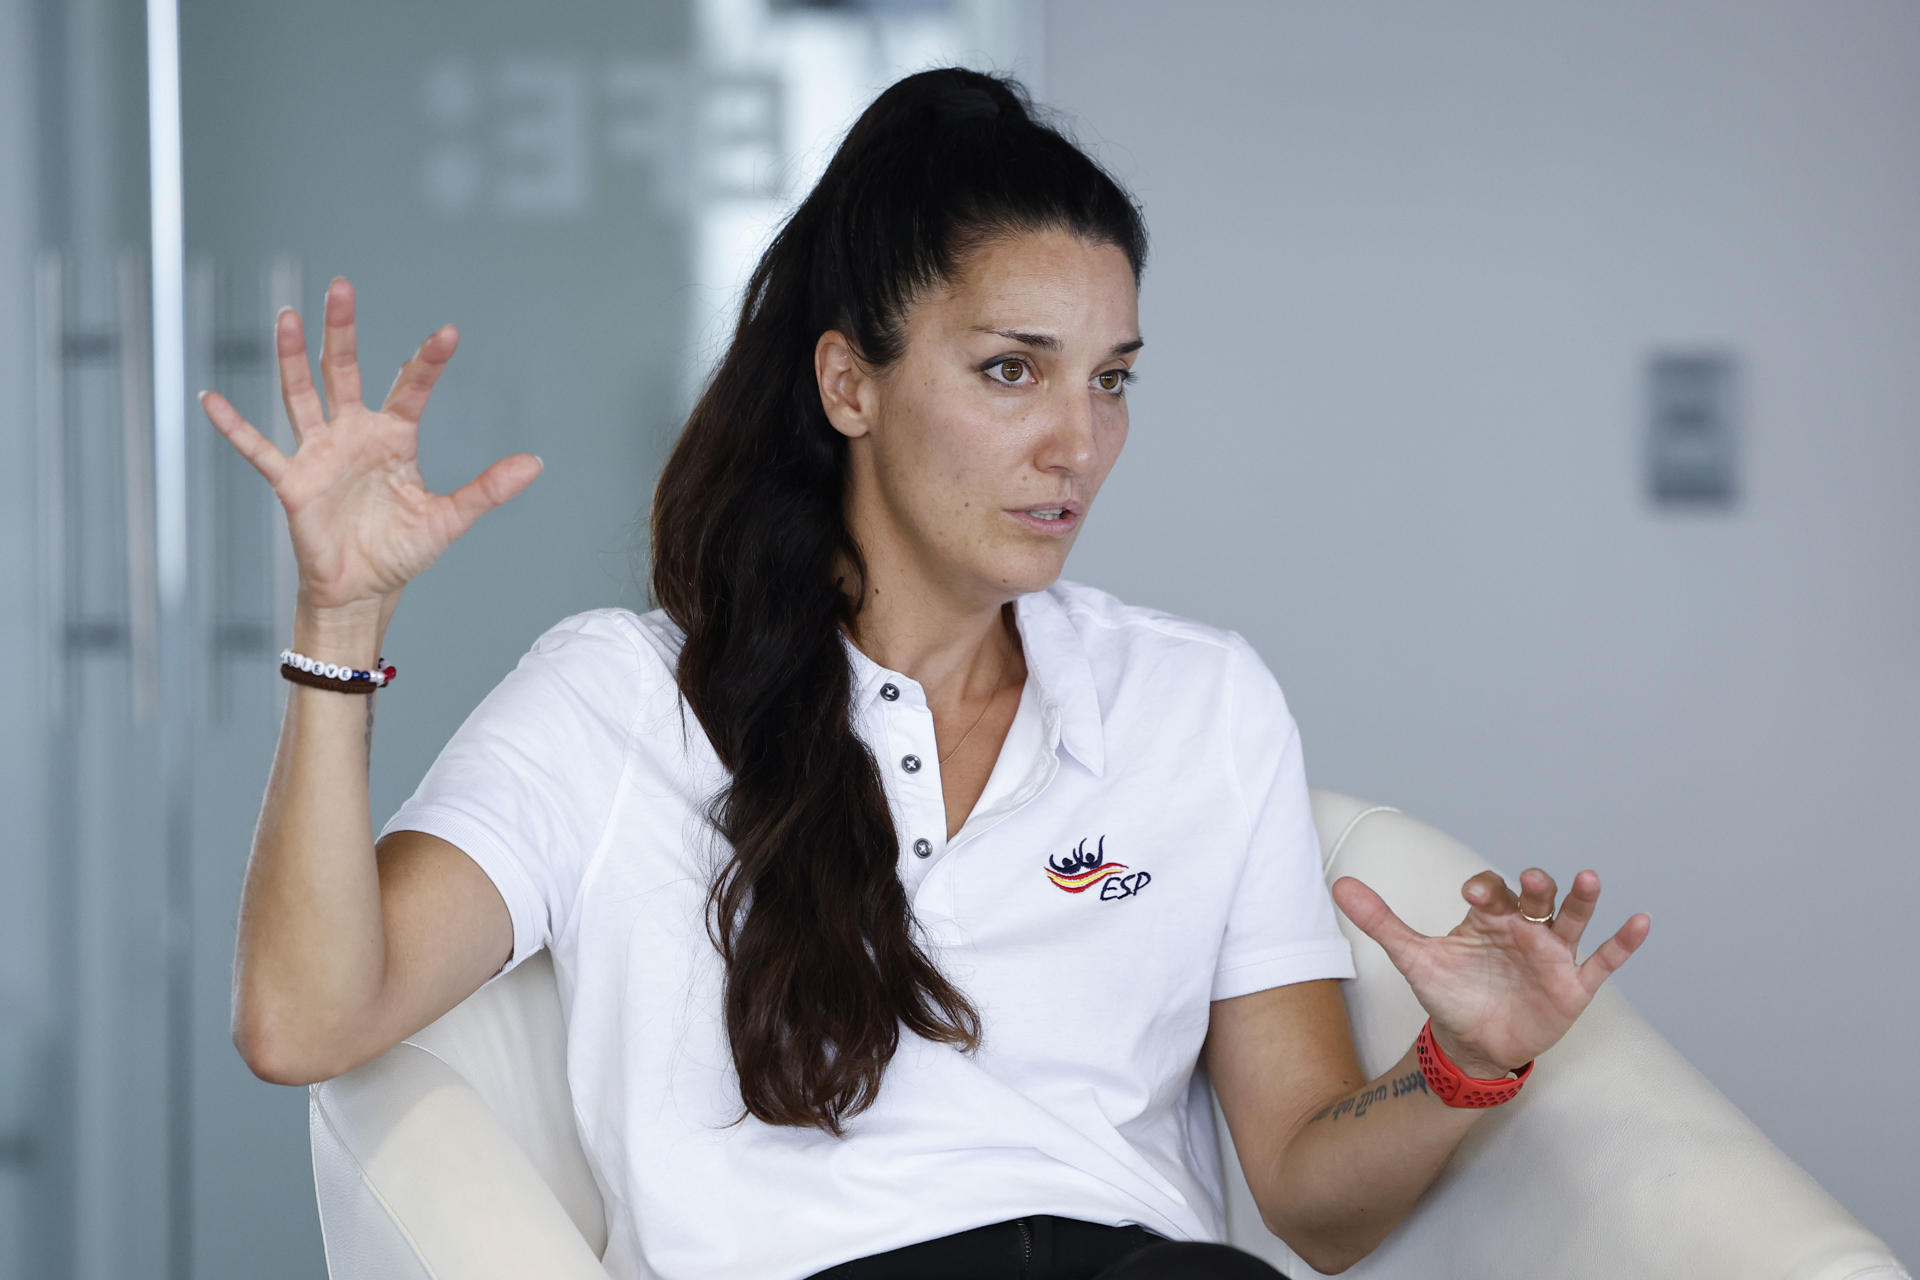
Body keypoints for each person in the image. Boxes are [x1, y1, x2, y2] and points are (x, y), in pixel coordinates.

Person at [208, 66, 1651, 1280]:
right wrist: (338, 621)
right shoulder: (625, 701)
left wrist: (1468, 1063)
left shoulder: (1199, 703)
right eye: (1013, 369)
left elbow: (1308, 1201)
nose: (1076, 443)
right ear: (851, 383)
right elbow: (306, 1022)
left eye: (1113, 378)